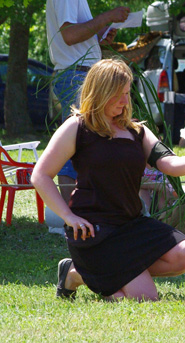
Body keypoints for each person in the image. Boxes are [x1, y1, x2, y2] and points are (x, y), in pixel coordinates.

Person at [31, 59, 185, 301]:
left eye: (127, 94)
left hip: (131, 225)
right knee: (142, 299)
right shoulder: (77, 127)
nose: (125, 101)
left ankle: (84, 274)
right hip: (94, 231)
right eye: (117, 95)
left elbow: (170, 165)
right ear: (99, 93)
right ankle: (81, 273)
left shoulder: (137, 131)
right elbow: (41, 175)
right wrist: (69, 216)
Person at [46, 0, 130, 203]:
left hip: (80, 74)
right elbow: (70, 35)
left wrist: (99, 36)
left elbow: (76, 36)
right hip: (76, 76)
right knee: (75, 142)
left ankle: (77, 212)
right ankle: (69, 217)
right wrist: (107, 17)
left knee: (83, 140)